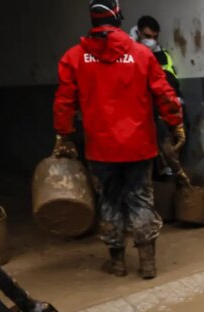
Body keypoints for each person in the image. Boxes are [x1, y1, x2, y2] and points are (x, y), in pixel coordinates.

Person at [52, 0, 184, 279]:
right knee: (140, 200)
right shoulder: (141, 55)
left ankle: (117, 263)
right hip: (139, 145)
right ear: (119, 18)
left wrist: (64, 135)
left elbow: (64, 101)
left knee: (109, 201)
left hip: (100, 149)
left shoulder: (74, 57)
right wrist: (175, 124)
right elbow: (164, 95)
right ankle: (147, 263)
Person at [131, 15, 190, 186]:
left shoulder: (162, 56)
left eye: (155, 37)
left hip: (159, 109)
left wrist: (176, 119)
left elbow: (168, 84)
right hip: (139, 113)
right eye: (147, 36)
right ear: (138, 33)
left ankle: (170, 177)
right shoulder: (129, 54)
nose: (151, 41)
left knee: (175, 132)